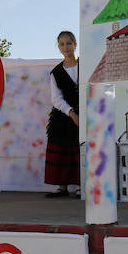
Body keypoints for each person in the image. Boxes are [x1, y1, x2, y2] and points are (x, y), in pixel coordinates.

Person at [44, 31, 81, 198]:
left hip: (86, 112)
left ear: (75, 44)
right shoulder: (56, 72)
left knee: (81, 149)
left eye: (68, 43)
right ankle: (62, 187)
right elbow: (56, 99)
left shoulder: (86, 65)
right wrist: (72, 114)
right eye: (62, 44)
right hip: (63, 116)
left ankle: (82, 184)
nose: (65, 47)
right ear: (58, 47)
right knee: (62, 148)